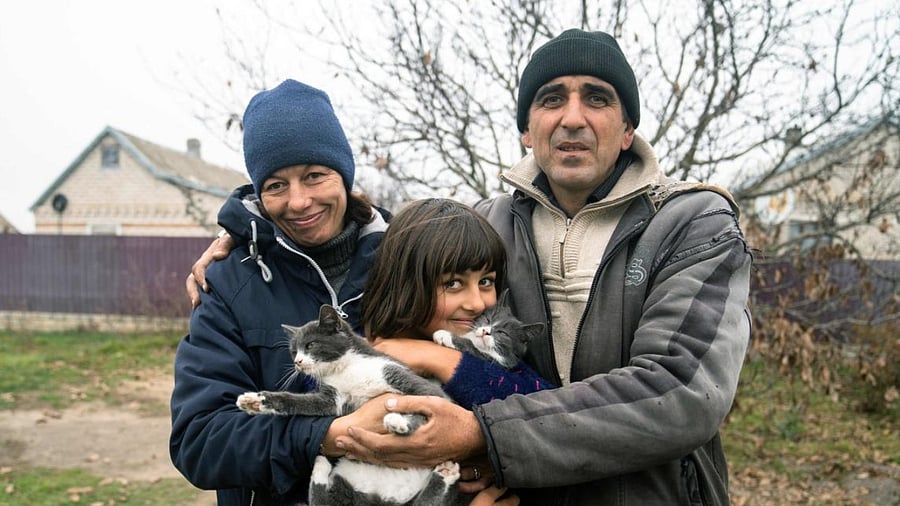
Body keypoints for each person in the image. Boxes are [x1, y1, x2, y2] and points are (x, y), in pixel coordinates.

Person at [187, 29, 752, 505]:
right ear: (526, 131)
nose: (573, 118)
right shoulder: (490, 224)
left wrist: (479, 433)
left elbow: (680, 390)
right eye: (552, 99)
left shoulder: (690, 222)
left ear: (628, 128)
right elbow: (200, 435)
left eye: (598, 99)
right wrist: (238, 242)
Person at [169, 80, 517, 506]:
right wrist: (331, 435)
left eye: (314, 176)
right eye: (276, 185)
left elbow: (492, 379)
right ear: (259, 193)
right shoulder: (227, 284)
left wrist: (480, 455)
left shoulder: (410, 257)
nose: (298, 201)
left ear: (344, 175)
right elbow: (200, 441)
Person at [360, 197, 553, 408]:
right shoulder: (352, 351)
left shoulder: (487, 354)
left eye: (486, 281)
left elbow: (547, 408)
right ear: (405, 285)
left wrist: (439, 359)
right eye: (453, 283)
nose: (477, 304)